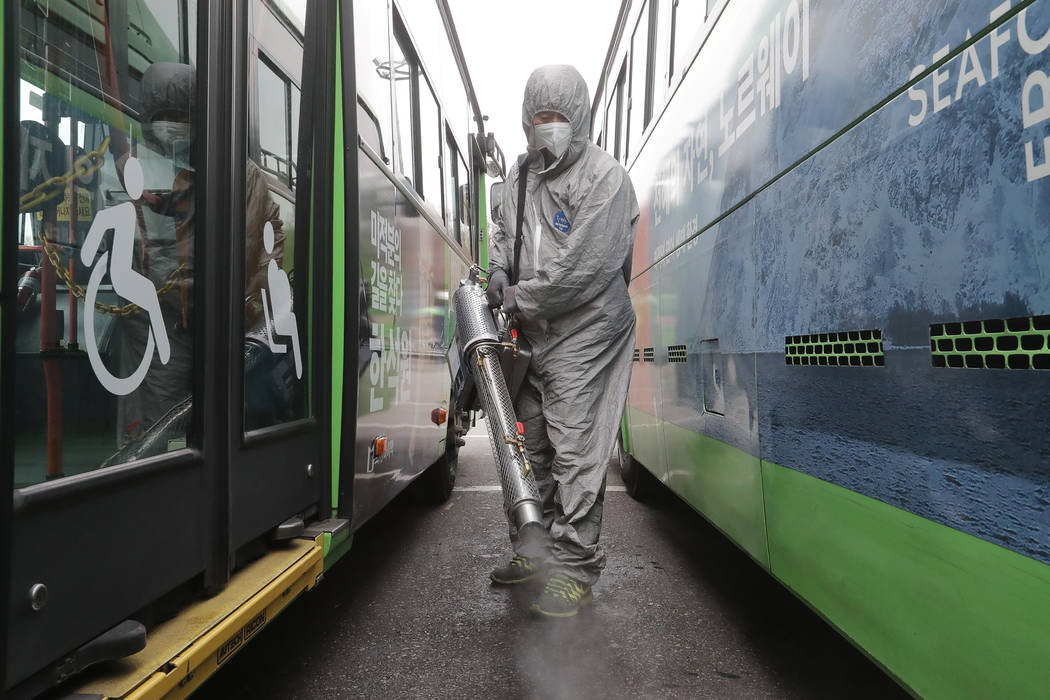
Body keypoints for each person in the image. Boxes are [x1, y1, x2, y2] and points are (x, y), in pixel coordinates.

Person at [485, 65, 639, 617]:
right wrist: (500, 271)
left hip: (586, 330)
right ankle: (534, 548)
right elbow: (505, 233)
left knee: (575, 447)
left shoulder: (605, 180)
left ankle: (573, 567)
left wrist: (517, 298)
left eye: (555, 117)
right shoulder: (522, 172)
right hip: (534, 332)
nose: (545, 127)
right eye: (537, 118)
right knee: (526, 447)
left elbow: (584, 270)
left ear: (579, 119)